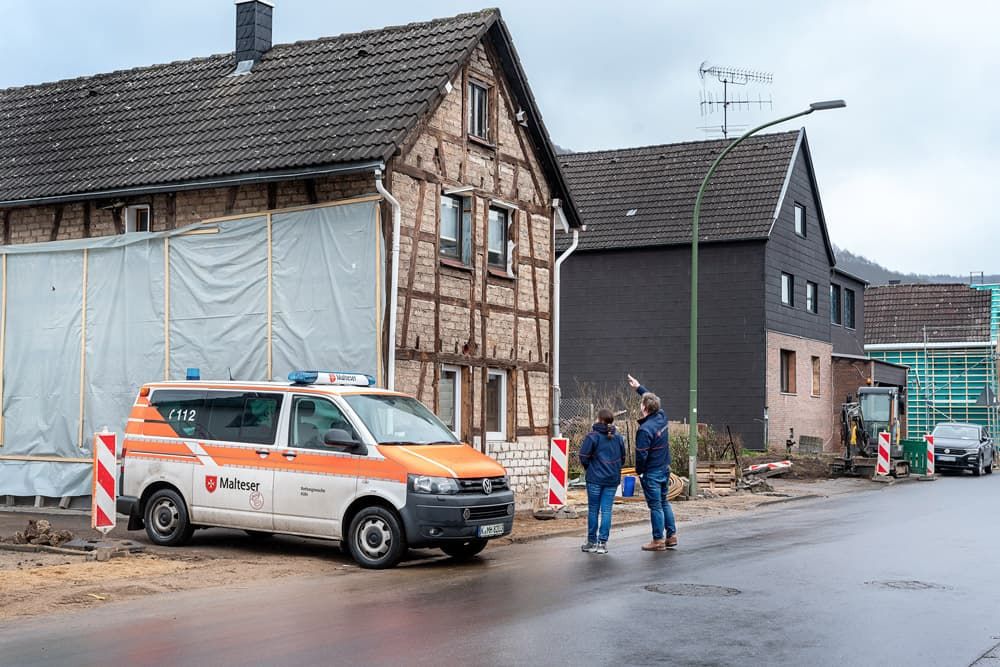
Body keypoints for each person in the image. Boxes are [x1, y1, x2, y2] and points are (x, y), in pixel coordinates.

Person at [627, 374, 677, 551]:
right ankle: (671, 536)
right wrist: (639, 387)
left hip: (652, 472)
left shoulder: (645, 430)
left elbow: (641, 455)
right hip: (665, 468)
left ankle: (658, 540)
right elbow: (651, 399)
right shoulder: (662, 416)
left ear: (645, 408)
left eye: (642, 403)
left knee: (655, 506)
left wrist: (639, 471)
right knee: (664, 502)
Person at [578, 408, 626, 555]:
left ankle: (591, 542)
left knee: (593, 510)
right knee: (606, 511)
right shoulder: (618, 438)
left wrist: (590, 469)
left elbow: (583, 456)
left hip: (594, 479)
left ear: (599, 419)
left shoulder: (592, 436)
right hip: (611, 479)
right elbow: (623, 459)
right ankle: (602, 544)